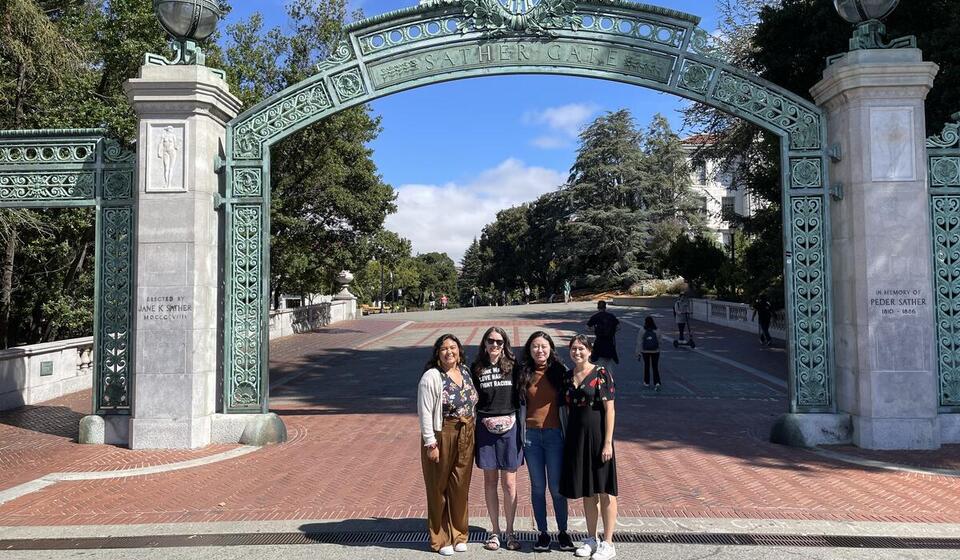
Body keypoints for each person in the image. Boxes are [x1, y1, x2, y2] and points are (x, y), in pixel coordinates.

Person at [417, 334, 478, 556]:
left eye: (453, 347)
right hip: (442, 432)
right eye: (444, 348)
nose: (449, 352)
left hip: (466, 432)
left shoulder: (465, 372)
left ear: (460, 351)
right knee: (437, 487)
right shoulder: (432, 377)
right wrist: (430, 443)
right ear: (437, 353)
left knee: (460, 485)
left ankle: (459, 534)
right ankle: (440, 539)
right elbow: (424, 412)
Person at [561, 335, 619, 560]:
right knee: (588, 491)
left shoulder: (601, 373)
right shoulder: (568, 376)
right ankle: (591, 538)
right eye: (574, 349)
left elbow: (610, 410)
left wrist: (607, 442)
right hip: (577, 438)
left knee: (605, 490)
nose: (577, 352)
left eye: (581, 349)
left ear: (590, 350)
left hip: (598, 438)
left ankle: (608, 542)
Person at [518, 331, 575, 552]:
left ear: (550, 348)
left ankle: (563, 532)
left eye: (543, 346)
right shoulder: (523, 373)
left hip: (554, 436)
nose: (539, 350)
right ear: (529, 350)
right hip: (531, 437)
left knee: (557, 488)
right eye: (535, 346)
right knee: (538, 487)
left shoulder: (560, 372)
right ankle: (542, 533)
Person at [471, 327, 524, 551]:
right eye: (491, 341)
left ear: (505, 345)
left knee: (509, 483)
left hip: (510, 428)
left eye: (499, 342)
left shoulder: (514, 367)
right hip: (485, 427)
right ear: (484, 343)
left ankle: (510, 531)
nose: (494, 345)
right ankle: (495, 530)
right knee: (490, 481)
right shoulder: (476, 368)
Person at [587, 301, 620, 374]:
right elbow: (618, 327)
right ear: (605, 307)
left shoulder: (595, 317)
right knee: (608, 364)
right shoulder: (611, 316)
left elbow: (587, 327)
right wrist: (612, 332)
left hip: (599, 342)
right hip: (610, 342)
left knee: (599, 363)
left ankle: (601, 380)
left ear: (598, 307)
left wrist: (595, 331)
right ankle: (610, 380)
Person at [636, 316, 661, 390]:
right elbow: (660, 341)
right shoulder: (657, 330)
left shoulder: (642, 330)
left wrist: (638, 353)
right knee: (655, 366)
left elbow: (639, 342)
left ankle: (646, 382)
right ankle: (657, 382)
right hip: (655, 351)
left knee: (647, 366)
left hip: (645, 351)